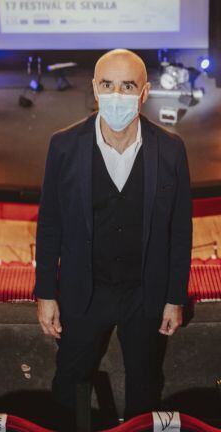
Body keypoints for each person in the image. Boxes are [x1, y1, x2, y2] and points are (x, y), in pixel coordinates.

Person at [35, 48, 193, 420]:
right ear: (94, 87)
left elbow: (180, 230)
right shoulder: (64, 145)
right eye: (107, 84)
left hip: (145, 293)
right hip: (84, 292)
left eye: (127, 86)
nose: (117, 95)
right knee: (70, 380)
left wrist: (174, 297)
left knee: (145, 383)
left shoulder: (170, 149)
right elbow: (50, 223)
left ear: (144, 92)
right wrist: (45, 292)